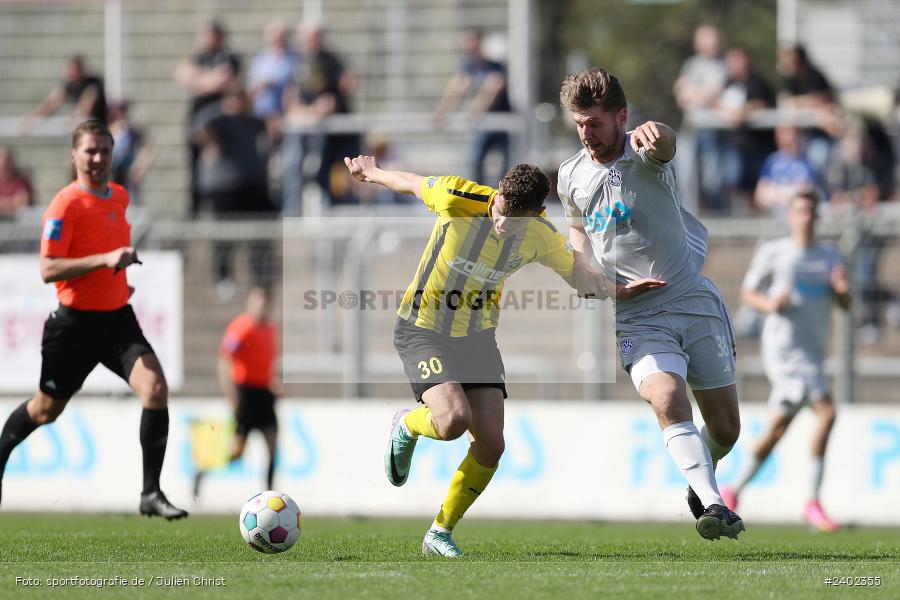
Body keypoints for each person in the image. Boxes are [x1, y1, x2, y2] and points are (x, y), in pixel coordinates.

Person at [345, 153, 652, 556]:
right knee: (453, 420)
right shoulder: (459, 196)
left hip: (477, 336)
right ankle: (407, 424)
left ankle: (440, 532)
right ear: (499, 192)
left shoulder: (539, 234)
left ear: (536, 213)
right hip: (423, 328)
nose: (503, 222)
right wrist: (373, 174)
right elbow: (412, 181)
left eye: (516, 218)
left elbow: (579, 275)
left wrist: (618, 288)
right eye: (502, 209)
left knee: (491, 444)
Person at [557, 67, 744, 540]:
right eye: (579, 123)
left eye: (594, 122)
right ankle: (715, 502)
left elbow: (666, 143)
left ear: (621, 116)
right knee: (665, 397)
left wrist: (658, 132)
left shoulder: (646, 155)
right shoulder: (570, 176)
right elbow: (579, 235)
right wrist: (590, 280)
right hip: (638, 315)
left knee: (725, 430)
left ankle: (700, 474)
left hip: (693, 303)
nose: (586, 133)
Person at [0, 120, 187, 519]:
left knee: (154, 387)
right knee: (45, 411)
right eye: (90, 151)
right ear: (74, 154)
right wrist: (102, 261)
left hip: (118, 320)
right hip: (73, 327)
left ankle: (150, 493)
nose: (98, 158)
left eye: (104, 150)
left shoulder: (118, 196)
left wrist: (119, 272)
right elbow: (49, 269)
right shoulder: (64, 205)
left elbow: (110, 253)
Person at [722, 191, 849, 531]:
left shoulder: (828, 257)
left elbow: (845, 305)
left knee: (778, 428)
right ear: (790, 216)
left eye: (810, 210)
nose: (805, 216)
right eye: (799, 210)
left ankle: (732, 491)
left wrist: (841, 290)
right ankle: (812, 502)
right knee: (828, 412)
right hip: (782, 350)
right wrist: (770, 304)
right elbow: (748, 295)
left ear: (817, 217)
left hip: (812, 353)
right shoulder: (775, 252)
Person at [194, 287, 280, 498]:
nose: (262, 307)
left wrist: (274, 382)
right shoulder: (241, 327)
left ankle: (270, 497)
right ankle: (202, 472)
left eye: (265, 302)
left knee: (273, 447)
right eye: (258, 302)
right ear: (249, 303)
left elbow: (266, 363)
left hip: (264, 393)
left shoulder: (270, 329)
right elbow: (225, 360)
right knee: (237, 453)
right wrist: (232, 395)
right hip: (246, 394)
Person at [193, 86, 276, 300]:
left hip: (249, 184)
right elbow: (201, 130)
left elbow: (271, 129)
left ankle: (261, 276)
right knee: (224, 235)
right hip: (224, 187)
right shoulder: (216, 117)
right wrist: (212, 141)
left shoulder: (251, 120)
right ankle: (224, 277)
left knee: (262, 227)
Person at [282, 22, 359, 214]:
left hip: (333, 137)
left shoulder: (331, 61)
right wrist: (307, 112)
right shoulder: (300, 62)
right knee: (298, 169)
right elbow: (291, 99)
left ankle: (335, 209)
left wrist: (316, 111)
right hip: (308, 129)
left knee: (334, 177)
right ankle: (294, 210)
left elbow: (332, 102)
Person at [175, 21, 241, 216]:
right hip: (196, 122)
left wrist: (199, 79)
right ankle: (195, 212)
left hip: (219, 125)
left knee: (220, 168)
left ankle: (220, 212)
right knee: (195, 167)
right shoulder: (200, 57)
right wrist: (206, 78)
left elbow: (220, 82)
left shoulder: (229, 57)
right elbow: (182, 75)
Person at [433, 29, 512, 184]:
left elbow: (492, 88)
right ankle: (480, 201)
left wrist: (477, 109)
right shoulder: (468, 66)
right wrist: (442, 111)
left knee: (506, 166)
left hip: (502, 122)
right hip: (484, 124)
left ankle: (506, 201)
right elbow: (457, 88)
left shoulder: (495, 66)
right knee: (477, 162)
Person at [673, 25, 729, 212]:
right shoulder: (692, 65)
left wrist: (694, 93)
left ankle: (720, 217)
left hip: (713, 130)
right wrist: (699, 94)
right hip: (691, 127)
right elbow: (681, 97)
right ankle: (689, 214)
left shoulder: (724, 65)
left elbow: (715, 95)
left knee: (713, 178)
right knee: (685, 173)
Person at [716, 48, 777, 209]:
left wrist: (743, 112)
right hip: (735, 144)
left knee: (756, 183)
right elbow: (718, 103)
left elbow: (763, 103)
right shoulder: (728, 83)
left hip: (758, 145)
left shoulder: (758, 82)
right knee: (733, 180)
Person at [20, 55, 108, 133]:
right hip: (89, 129)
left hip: (103, 127)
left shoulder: (93, 84)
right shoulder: (68, 86)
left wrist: (74, 119)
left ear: (80, 69)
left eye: (72, 69)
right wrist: (33, 117)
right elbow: (51, 103)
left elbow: (85, 106)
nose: (68, 73)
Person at [247, 19, 299, 143]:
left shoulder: (295, 59)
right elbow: (251, 90)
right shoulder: (261, 60)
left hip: (285, 117)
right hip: (261, 117)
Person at [754, 125, 820, 215]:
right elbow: (761, 197)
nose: (787, 138)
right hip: (774, 216)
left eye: (791, 133)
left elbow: (807, 192)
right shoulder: (772, 161)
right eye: (782, 133)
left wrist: (777, 192)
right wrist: (792, 192)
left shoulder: (808, 162)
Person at [108, 100, 156, 206]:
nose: (119, 117)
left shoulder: (131, 132)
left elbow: (149, 148)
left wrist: (140, 166)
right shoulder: (107, 132)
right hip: (112, 174)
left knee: (131, 203)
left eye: (122, 113)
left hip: (128, 172)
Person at [0, 146, 34, 220]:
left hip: (18, 223)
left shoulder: (22, 181)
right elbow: (16, 203)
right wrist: (12, 202)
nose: (4, 163)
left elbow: (23, 202)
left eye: (7, 160)